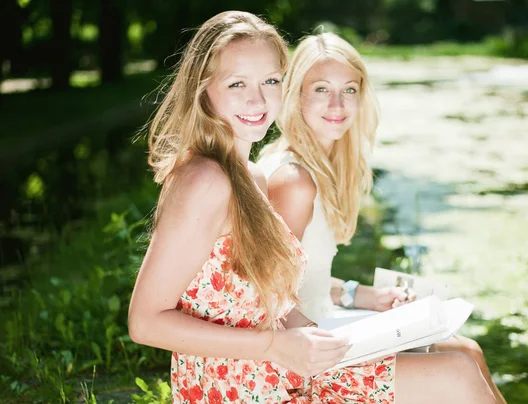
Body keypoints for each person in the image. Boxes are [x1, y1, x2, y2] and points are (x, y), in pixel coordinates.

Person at [128, 11, 496, 403]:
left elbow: (274, 301)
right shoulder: (203, 181)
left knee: (460, 367)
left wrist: (336, 339)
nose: (258, 99)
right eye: (237, 84)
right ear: (203, 90)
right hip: (236, 389)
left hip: (280, 372)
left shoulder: (251, 177)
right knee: (456, 376)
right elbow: (145, 322)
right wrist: (275, 346)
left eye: (270, 81)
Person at [259, 32, 506, 403]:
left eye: (350, 89)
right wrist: (340, 342)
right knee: (458, 370)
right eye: (322, 89)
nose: (337, 104)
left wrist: (363, 295)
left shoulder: (319, 168)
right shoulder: (292, 180)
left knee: (467, 349)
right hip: (297, 356)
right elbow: (263, 291)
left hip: (320, 327)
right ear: (296, 95)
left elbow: (299, 277)